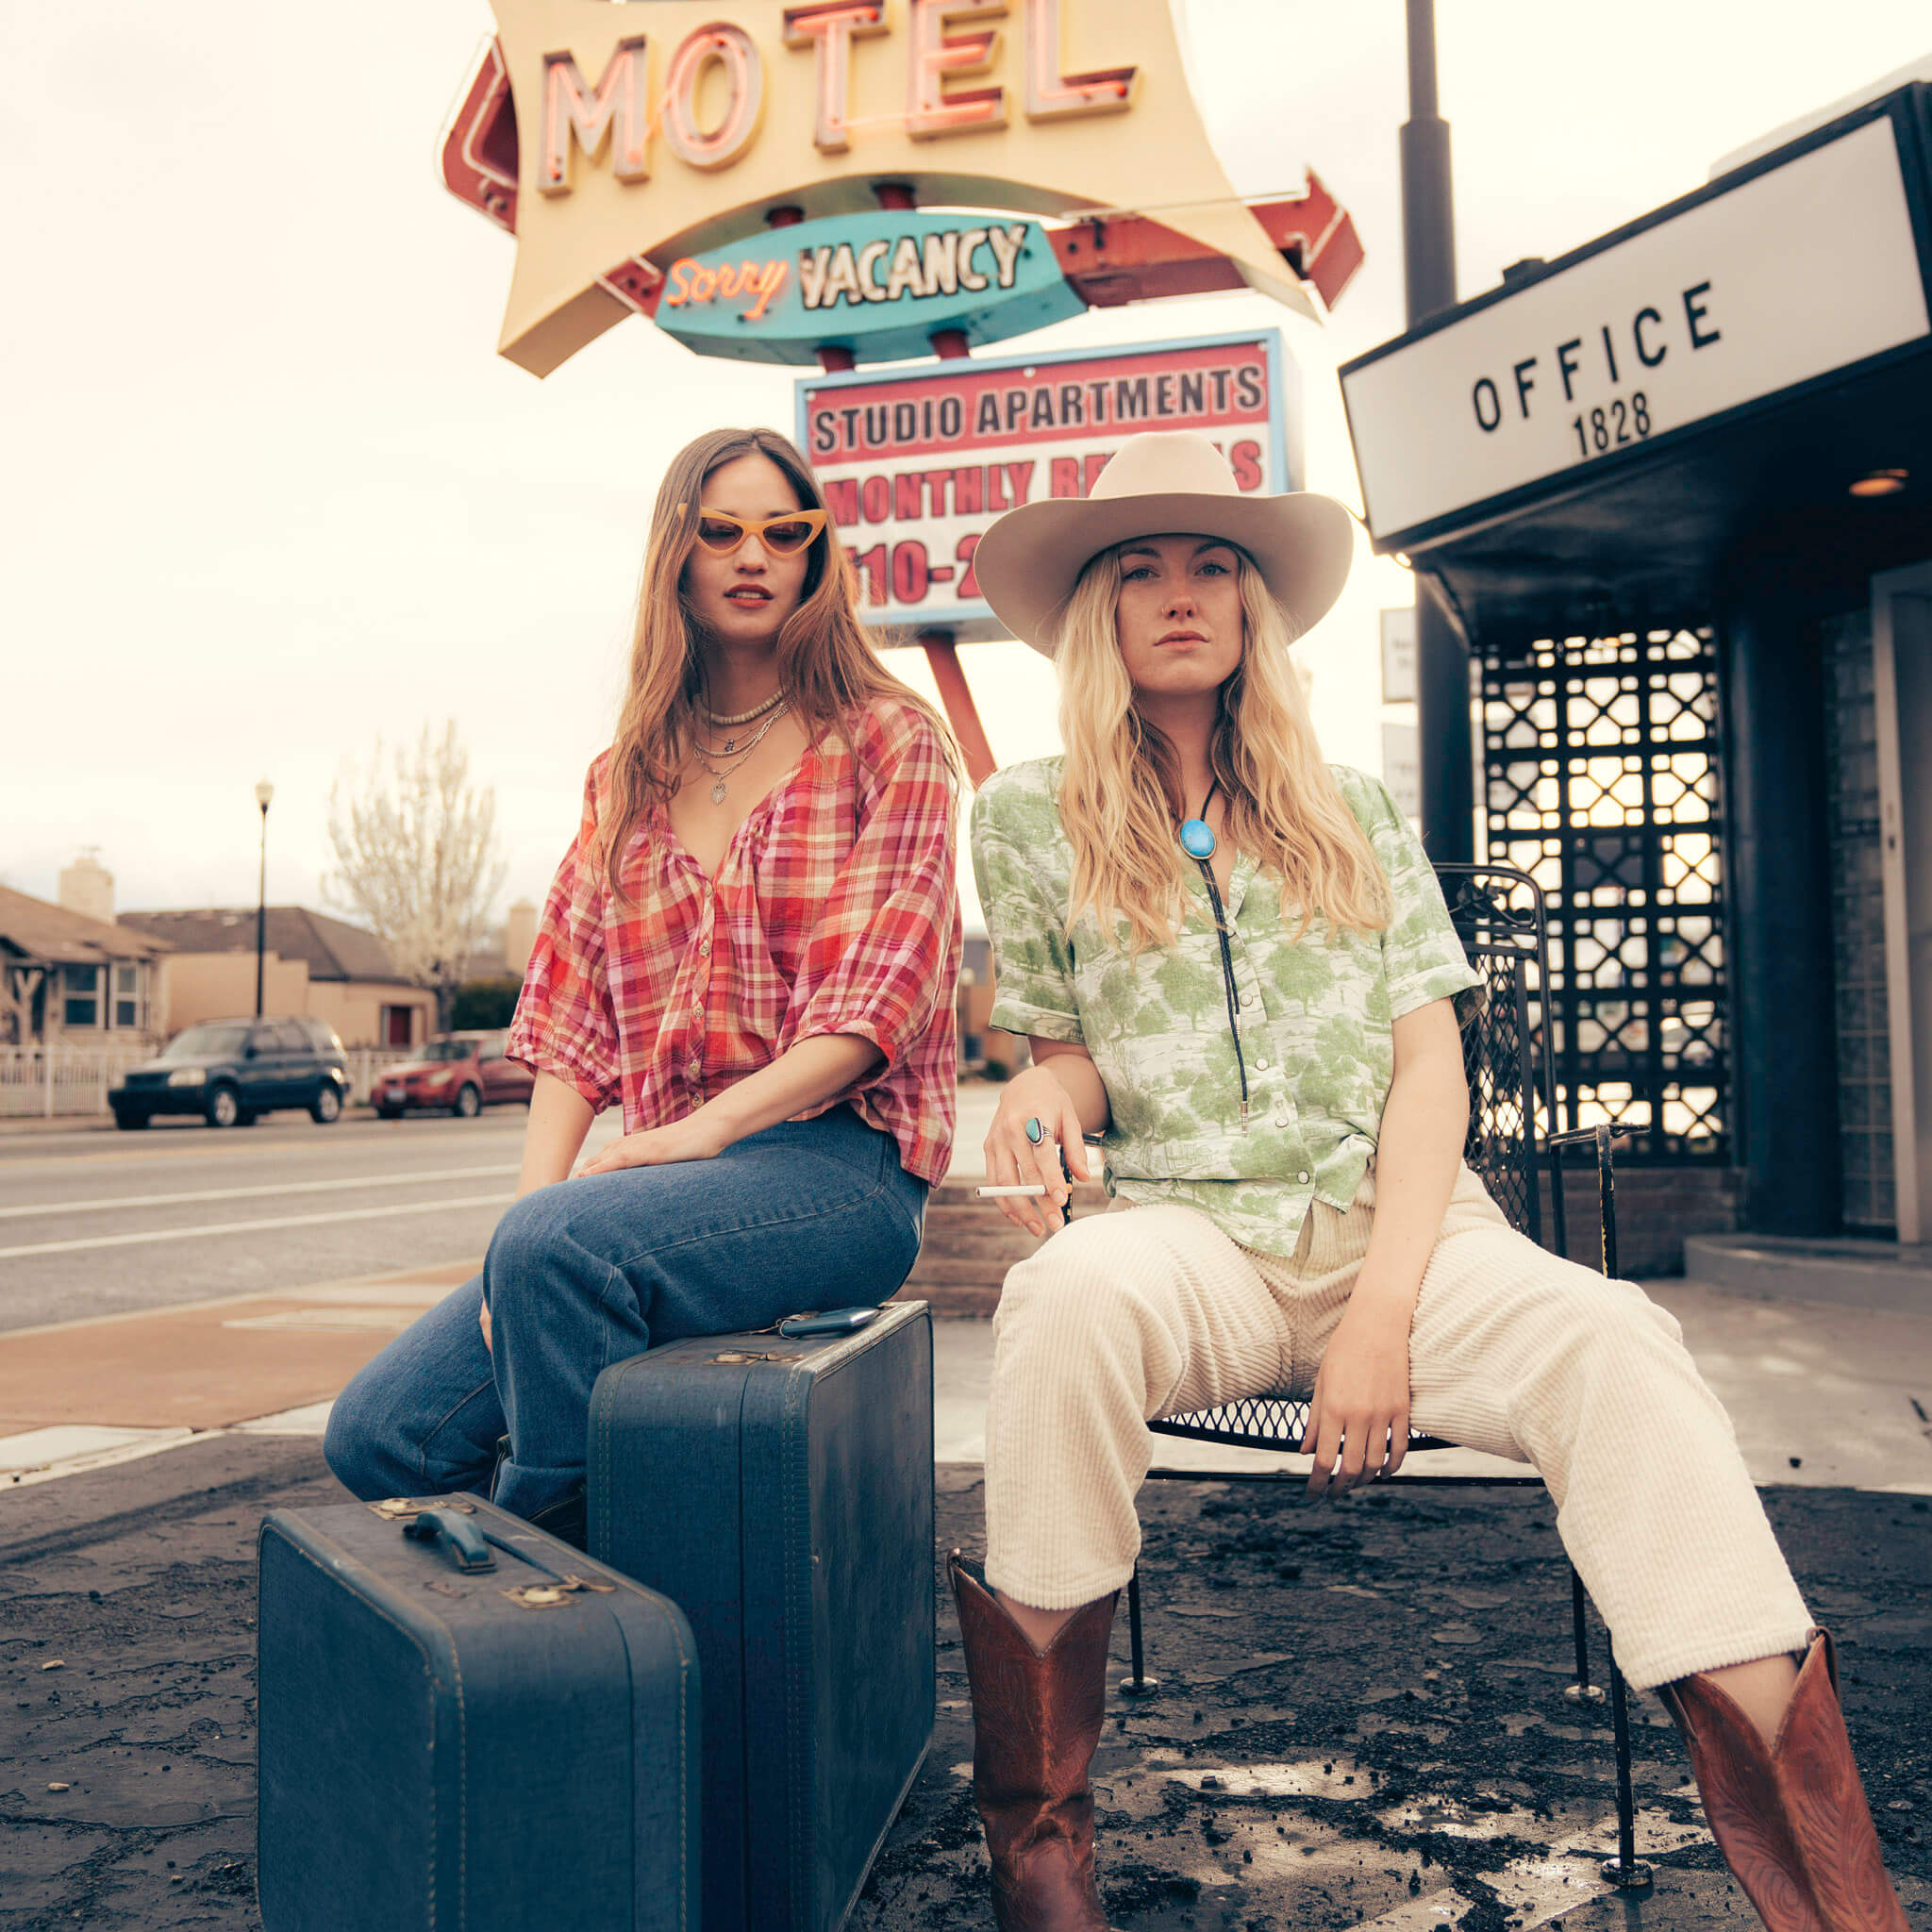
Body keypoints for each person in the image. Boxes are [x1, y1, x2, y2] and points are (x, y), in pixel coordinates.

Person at [951, 429, 1907, 1932]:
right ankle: (1042, 1852)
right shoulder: (1023, 813)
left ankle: (1831, 1899)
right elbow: (1070, 1053)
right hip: (1189, 1236)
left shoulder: (1353, 805)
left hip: (1408, 1239)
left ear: (1258, 604)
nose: (1182, 595)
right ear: (1098, 611)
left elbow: (1427, 1072)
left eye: (1216, 565)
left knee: (1617, 1343)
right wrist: (1035, 1096)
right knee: (1061, 1298)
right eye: (1142, 569)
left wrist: (1383, 1312)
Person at [325, 426, 961, 1545]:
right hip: (656, 1189)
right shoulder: (623, 778)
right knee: (385, 1434)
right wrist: (522, 1229)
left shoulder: (888, 739)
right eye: (721, 528)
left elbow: (879, 1006)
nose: (753, 552)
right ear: (677, 550)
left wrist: (697, 1136)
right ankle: (572, 1599)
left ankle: (574, 1611)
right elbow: (571, 1027)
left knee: (560, 1257)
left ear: (818, 554)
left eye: (785, 529)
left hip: (839, 1162)